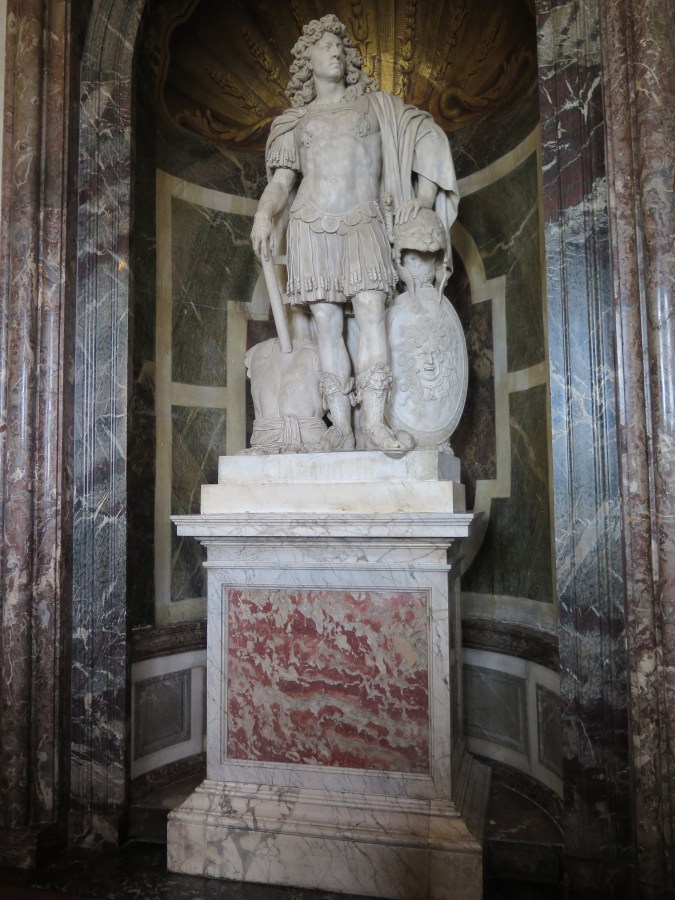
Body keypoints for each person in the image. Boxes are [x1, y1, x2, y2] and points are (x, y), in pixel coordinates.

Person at [250, 14, 458, 452]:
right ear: (307, 60)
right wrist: (264, 215)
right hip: (311, 225)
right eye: (325, 46)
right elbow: (282, 183)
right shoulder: (295, 122)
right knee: (326, 325)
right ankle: (342, 427)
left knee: (370, 312)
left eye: (340, 47)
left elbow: (426, 135)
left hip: (364, 221)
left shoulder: (375, 107)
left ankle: (375, 424)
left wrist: (423, 199)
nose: (336, 52)